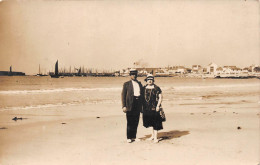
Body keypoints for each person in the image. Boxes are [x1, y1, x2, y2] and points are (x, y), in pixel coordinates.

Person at [121, 69, 143, 143]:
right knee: (130, 121)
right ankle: (129, 137)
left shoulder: (139, 84)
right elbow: (123, 95)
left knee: (136, 120)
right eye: (132, 74)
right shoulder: (126, 84)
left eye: (135, 74)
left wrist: (142, 106)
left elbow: (142, 95)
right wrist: (124, 106)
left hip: (138, 103)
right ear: (130, 75)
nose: (134, 76)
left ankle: (134, 136)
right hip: (130, 104)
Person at [142, 74, 163, 143]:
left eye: (151, 79)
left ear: (153, 80)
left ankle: (156, 138)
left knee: (155, 123)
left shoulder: (157, 88)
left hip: (154, 107)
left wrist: (158, 106)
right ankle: (152, 136)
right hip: (146, 108)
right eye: (148, 79)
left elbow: (160, 97)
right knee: (150, 122)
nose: (150, 81)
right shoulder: (144, 87)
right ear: (146, 80)